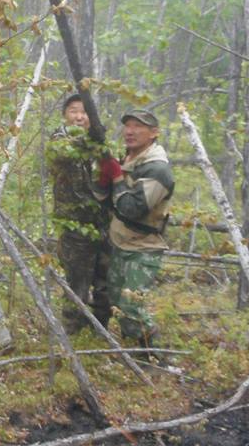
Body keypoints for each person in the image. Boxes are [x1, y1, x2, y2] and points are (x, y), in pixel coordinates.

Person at [96, 108, 174, 347]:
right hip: (119, 243)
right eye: (128, 126)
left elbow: (131, 209)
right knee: (117, 305)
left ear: (154, 133)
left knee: (131, 309)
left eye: (138, 127)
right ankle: (136, 351)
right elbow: (107, 197)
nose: (130, 132)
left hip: (143, 249)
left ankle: (156, 356)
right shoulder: (128, 158)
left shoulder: (157, 169)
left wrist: (117, 177)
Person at [48, 94, 111, 332]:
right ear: (65, 115)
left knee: (104, 280)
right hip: (74, 227)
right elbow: (61, 153)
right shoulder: (59, 139)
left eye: (85, 112)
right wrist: (91, 140)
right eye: (74, 110)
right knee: (78, 283)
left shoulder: (98, 144)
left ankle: (100, 329)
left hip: (102, 224)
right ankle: (73, 333)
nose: (79, 116)